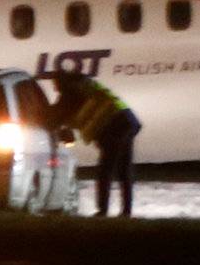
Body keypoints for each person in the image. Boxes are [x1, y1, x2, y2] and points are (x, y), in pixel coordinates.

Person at [54, 70, 142, 216]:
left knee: (105, 171)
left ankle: (103, 210)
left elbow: (55, 116)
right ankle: (126, 211)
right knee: (124, 171)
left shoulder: (68, 95)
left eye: (56, 84)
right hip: (127, 120)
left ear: (62, 82)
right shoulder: (85, 85)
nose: (55, 88)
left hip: (114, 126)